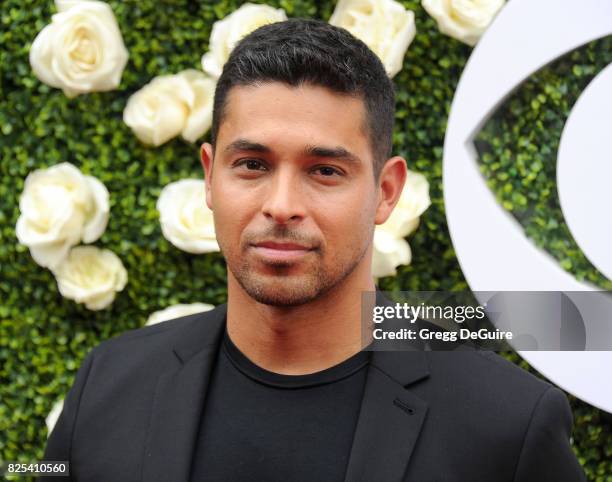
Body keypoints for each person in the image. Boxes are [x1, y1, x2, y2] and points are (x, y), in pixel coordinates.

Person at [41, 18, 586, 482]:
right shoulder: (108, 384)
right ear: (210, 178)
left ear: (385, 192)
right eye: (252, 165)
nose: (281, 205)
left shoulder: (507, 425)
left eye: (325, 171)